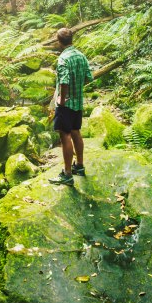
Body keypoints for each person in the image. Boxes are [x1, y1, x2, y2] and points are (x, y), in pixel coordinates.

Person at [49, 27, 93, 186]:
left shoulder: (63, 59)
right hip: (78, 102)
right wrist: (78, 88)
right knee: (76, 131)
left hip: (66, 103)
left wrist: (62, 99)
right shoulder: (81, 56)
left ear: (59, 41)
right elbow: (89, 77)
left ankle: (67, 173)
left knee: (65, 135)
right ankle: (79, 166)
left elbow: (64, 81)